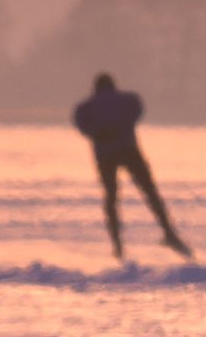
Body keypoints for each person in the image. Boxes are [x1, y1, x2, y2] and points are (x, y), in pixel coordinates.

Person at [74, 73, 191, 260]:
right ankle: (169, 232)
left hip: (105, 155)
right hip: (129, 149)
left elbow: (80, 122)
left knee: (111, 197)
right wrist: (123, 126)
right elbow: (137, 107)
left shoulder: (87, 106)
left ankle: (117, 245)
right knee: (150, 192)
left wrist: (98, 133)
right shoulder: (126, 99)